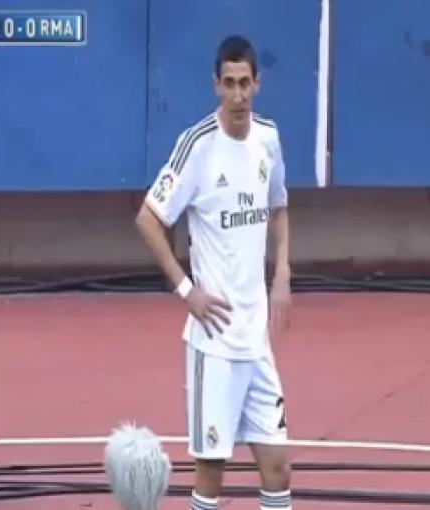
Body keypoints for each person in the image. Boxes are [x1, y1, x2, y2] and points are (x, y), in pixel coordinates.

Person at [134, 35, 294, 510]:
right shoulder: (198, 146)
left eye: (245, 83)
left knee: (278, 470)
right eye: (229, 84)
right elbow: (148, 219)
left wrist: (282, 273)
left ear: (258, 83)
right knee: (211, 474)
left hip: (256, 340)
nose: (238, 95)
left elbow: (279, 207)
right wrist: (187, 290)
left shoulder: (268, 139)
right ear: (216, 86)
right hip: (215, 343)